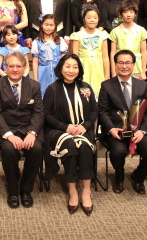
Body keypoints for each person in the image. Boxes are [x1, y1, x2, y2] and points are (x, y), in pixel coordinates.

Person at [98, 50, 147, 195]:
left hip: (138, 131)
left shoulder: (142, 86)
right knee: (117, 153)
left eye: (128, 63)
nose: (124, 66)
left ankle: (138, 177)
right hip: (117, 131)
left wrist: (143, 131)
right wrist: (111, 129)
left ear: (133, 65)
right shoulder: (107, 85)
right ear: (115, 65)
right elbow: (102, 111)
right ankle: (119, 177)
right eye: (121, 63)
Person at [43, 54, 97, 215]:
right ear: (61, 68)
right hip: (59, 130)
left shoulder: (85, 87)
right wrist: (65, 127)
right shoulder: (52, 89)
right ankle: (73, 190)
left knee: (85, 146)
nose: (71, 70)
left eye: (75, 67)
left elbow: (94, 110)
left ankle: (86, 190)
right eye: (67, 66)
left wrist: (85, 126)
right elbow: (46, 115)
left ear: (79, 69)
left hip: (82, 129)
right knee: (71, 146)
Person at [0, 51, 44, 209]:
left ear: (24, 68)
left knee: (36, 149)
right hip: (6, 131)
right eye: (11, 66)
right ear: (5, 68)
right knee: (9, 150)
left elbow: (39, 112)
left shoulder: (34, 85)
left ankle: (26, 190)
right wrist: (9, 135)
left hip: (28, 130)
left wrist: (32, 133)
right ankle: (13, 190)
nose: (14, 69)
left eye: (18, 66)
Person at [70, 8, 110, 99]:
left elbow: (105, 56)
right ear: (84, 19)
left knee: (98, 94)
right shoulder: (78, 35)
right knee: (82, 94)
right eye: (89, 18)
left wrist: (107, 74)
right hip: (83, 66)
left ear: (98, 19)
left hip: (98, 67)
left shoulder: (103, 35)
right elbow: (75, 56)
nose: (92, 20)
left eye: (95, 18)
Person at [109, 0, 147, 80]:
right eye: (125, 12)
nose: (128, 15)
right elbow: (113, 52)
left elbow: (144, 51)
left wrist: (143, 71)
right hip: (120, 66)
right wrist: (113, 71)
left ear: (135, 14)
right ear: (120, 14)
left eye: (131, 12)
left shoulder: (141, 30)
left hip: (137, 67)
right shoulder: (115, 31)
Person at [31, 14, 68, 95]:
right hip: (43, 73)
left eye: (51, 25)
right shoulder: (36, 42)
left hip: (57, 72)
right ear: (41, 25)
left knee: (59, 93)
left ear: (55, 26)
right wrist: (35, 79)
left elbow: (64, 60)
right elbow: (35, 62)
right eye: (46, 25)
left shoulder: (60, 41)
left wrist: (64, 74)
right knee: (44, 93)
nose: (48, 27)